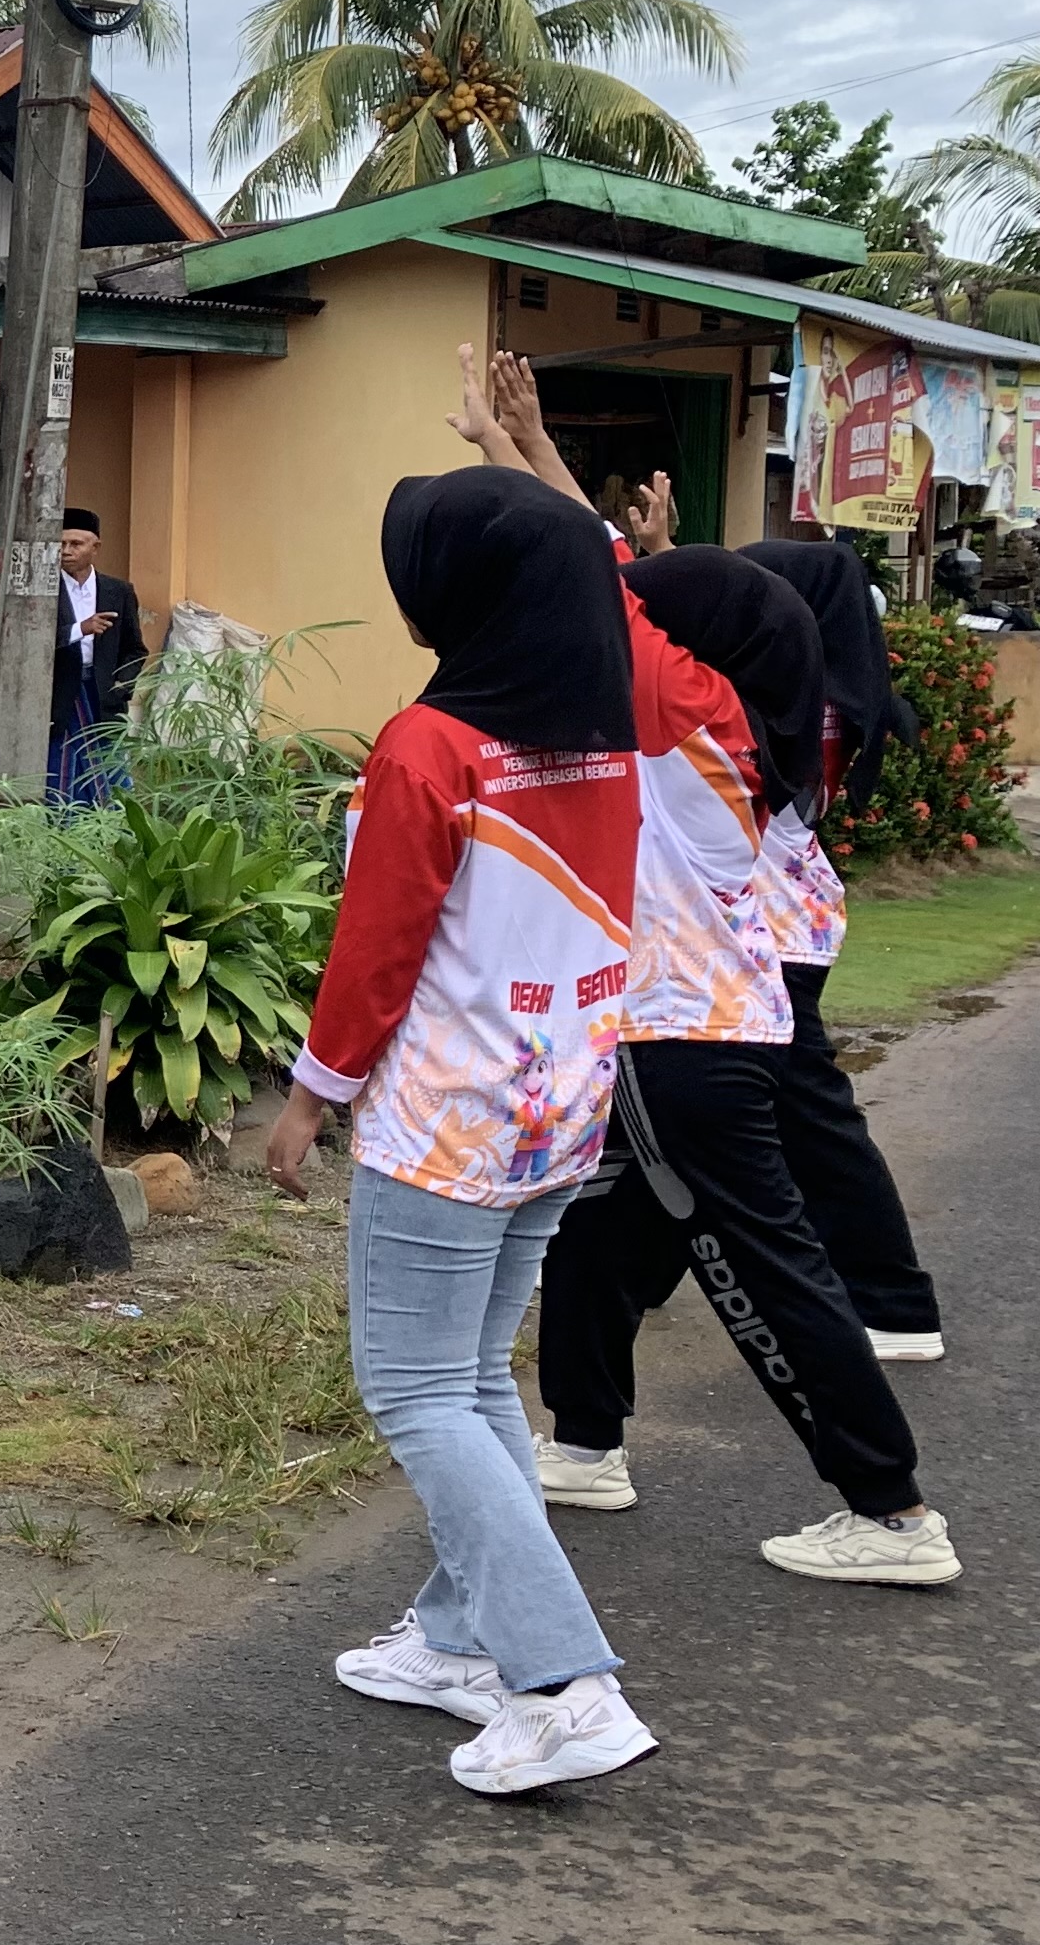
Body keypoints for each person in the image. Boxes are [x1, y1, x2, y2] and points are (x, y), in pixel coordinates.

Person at [453, 351, 962, 1589]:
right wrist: (531, 449)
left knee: (765, 1271)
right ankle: (584, 1442)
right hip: (687, 1031)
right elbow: (618, 576)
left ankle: (889, 1513)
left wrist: (508, 449)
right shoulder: (746, 707)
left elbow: (596, 576)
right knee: (594, 1233)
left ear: (696, 647)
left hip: (687, 1046)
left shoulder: (685, 717)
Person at [262, 463, 657, 1797]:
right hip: (561, 1110)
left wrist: (311, 1095)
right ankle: (452, 1639)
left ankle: (562, 1684)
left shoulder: (430, 748)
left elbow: (376, 951)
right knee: (478, 1374)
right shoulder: (607, 745)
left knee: (418, 1392)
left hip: (447, 1119)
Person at [739, 533, 946, 1361]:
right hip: (783, 925)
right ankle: (609, 1279)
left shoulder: (788, 699)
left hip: (769, 936)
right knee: (708, 1121)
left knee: (809, 1123)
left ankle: (896, 1304)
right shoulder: (824, 688)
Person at [46, 508, 148, 803]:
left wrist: (122, 688)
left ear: (95, 547)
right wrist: (81, 628)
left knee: (108, 764)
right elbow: (35, 644)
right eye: (61, 544)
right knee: (63, 765)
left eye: (75, 544)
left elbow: (135, 649)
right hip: (62, 693)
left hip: (104, 693)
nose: (66, 551)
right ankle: (62, 829)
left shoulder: (118, 591)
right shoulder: (44, 591)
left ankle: (111, 830)